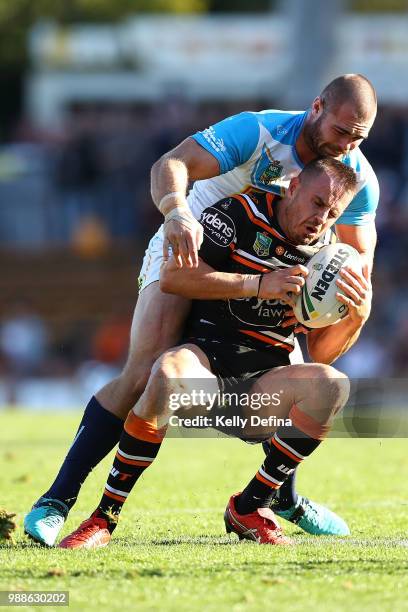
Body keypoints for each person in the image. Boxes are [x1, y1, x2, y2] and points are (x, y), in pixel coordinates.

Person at [24, 74, 378, 546]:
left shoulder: (356, 180)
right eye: (342, 131)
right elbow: (171, 164)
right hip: (196, 247)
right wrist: (176, 212)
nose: (348, 145)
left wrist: (353, 304)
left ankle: (276, 497)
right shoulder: (259, 133)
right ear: (316, 109)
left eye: (359, 137)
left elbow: (348, 274)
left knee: (306, 382)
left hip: (273, 272)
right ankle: (57, 501)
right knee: (145, 371)